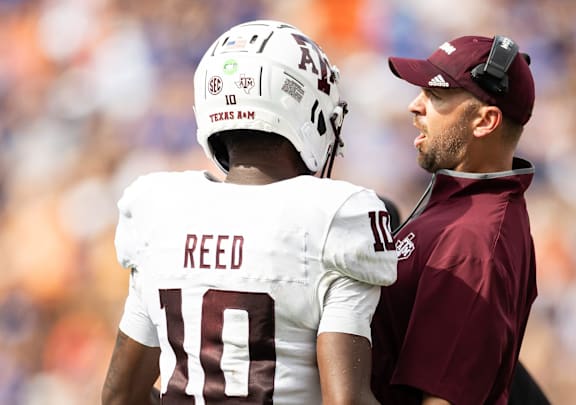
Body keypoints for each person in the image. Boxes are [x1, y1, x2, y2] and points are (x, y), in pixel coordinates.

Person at [101, 20, 398, 405]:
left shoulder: (158, 209)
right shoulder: (335, 217)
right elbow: (346, 400)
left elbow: (118, 396)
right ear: (308, 110)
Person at [370, 34, 542, 404]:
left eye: (436, 95)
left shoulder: (472, 240)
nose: (415, 106)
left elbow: (444, 398)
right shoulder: (462, 205)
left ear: (484, 121)